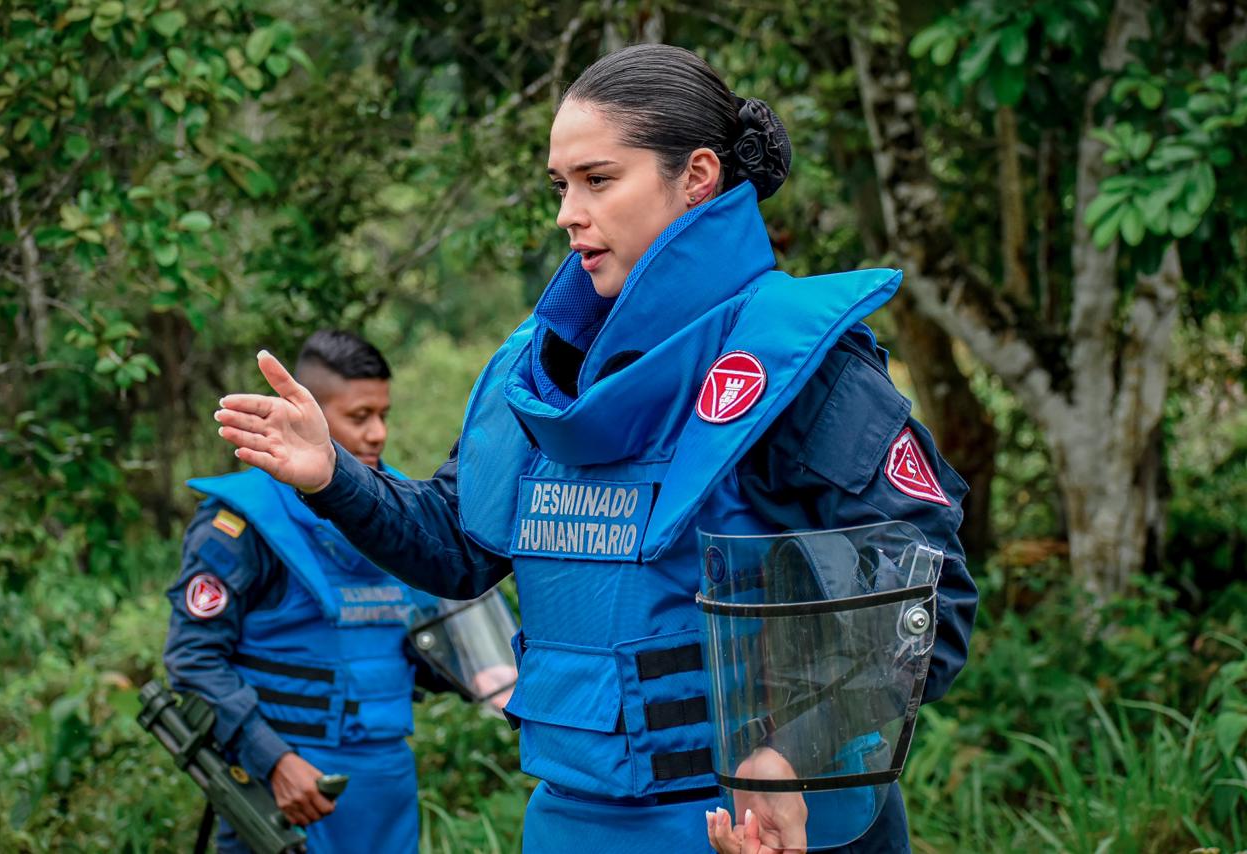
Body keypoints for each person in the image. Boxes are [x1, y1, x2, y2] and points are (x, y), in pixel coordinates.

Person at [212, 44, 978, 854]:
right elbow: (457, 548)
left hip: (761, 825)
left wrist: (791, 755)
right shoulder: (540, 371)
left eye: (598, 179)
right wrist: (332, 476)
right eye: (560, 185)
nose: (567, 213)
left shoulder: (797, 363)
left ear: (699, 176)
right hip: (574, 819)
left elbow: (929, 605)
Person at [164, 330, 450, 854]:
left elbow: (438, 641)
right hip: (285, 793)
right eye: (359, 417)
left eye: (384, 414)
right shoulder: (244, 523)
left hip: (386, 792)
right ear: (309, 415)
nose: (378, 434)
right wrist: (273, 760)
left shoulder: (411, 514)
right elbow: (193, 656)